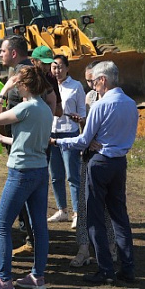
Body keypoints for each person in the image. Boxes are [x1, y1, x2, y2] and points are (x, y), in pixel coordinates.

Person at [57, 60, 139, 285]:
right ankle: (127, 267)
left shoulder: (101, 105)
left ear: (103, 80)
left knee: (94, 218)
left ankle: (105, 269)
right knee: (119, 217)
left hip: (100, 163)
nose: (93, 86)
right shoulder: (131, 104)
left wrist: (58, 142)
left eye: (94, 82)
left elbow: (84, 140)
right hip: (119, 163)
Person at [0, 64, 54, 289]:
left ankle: (4, 280)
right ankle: (37, 276)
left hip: (21, 172)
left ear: (24, 85)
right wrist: (3, 138)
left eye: (17, 83)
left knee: (0, 225)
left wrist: (3, 91)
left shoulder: (25, 107)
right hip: (40, 170)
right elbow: (31, 142)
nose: (15, 87)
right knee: (39, 225)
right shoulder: (45, 109)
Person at [48, 54, 84, 225]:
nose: (57, 70)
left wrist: (80, 119)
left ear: (68, 68)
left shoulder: (76, 86)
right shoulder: (47, 86)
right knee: (55, 175)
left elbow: (83, 114)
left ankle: (77, 213)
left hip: (70, 133)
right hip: (52, 134)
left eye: (61, 67)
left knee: (72, 175)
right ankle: (62, 210)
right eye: (54, 67)